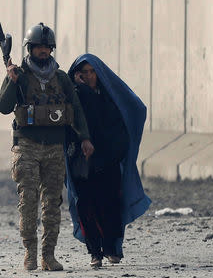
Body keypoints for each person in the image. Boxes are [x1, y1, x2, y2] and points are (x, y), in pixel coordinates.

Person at [0, 23, 94, 271]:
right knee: (27, 201)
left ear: (51, 49)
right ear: (30, 49)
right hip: (26, 147)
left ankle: (48, 256)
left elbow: (76, 109)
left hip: (53, 148)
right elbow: (3, 106)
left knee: (52, 203)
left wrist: (84, 137)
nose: (42, 51)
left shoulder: (61, 78)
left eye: (46, 47)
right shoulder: (19, 74)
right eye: (38, 47)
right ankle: (30, 252)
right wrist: (11, 80)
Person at [64, 53, 151, 268]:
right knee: (85, 205)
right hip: (82, 161)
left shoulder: (108, 97)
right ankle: (95, 252)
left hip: (107, 160)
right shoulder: (74, 97)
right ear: (77, 75)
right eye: (83, 73)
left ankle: (111, 248)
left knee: (110, 205)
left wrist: (115, 153)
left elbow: (118, 122)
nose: (88, 76)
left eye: (92, 72)